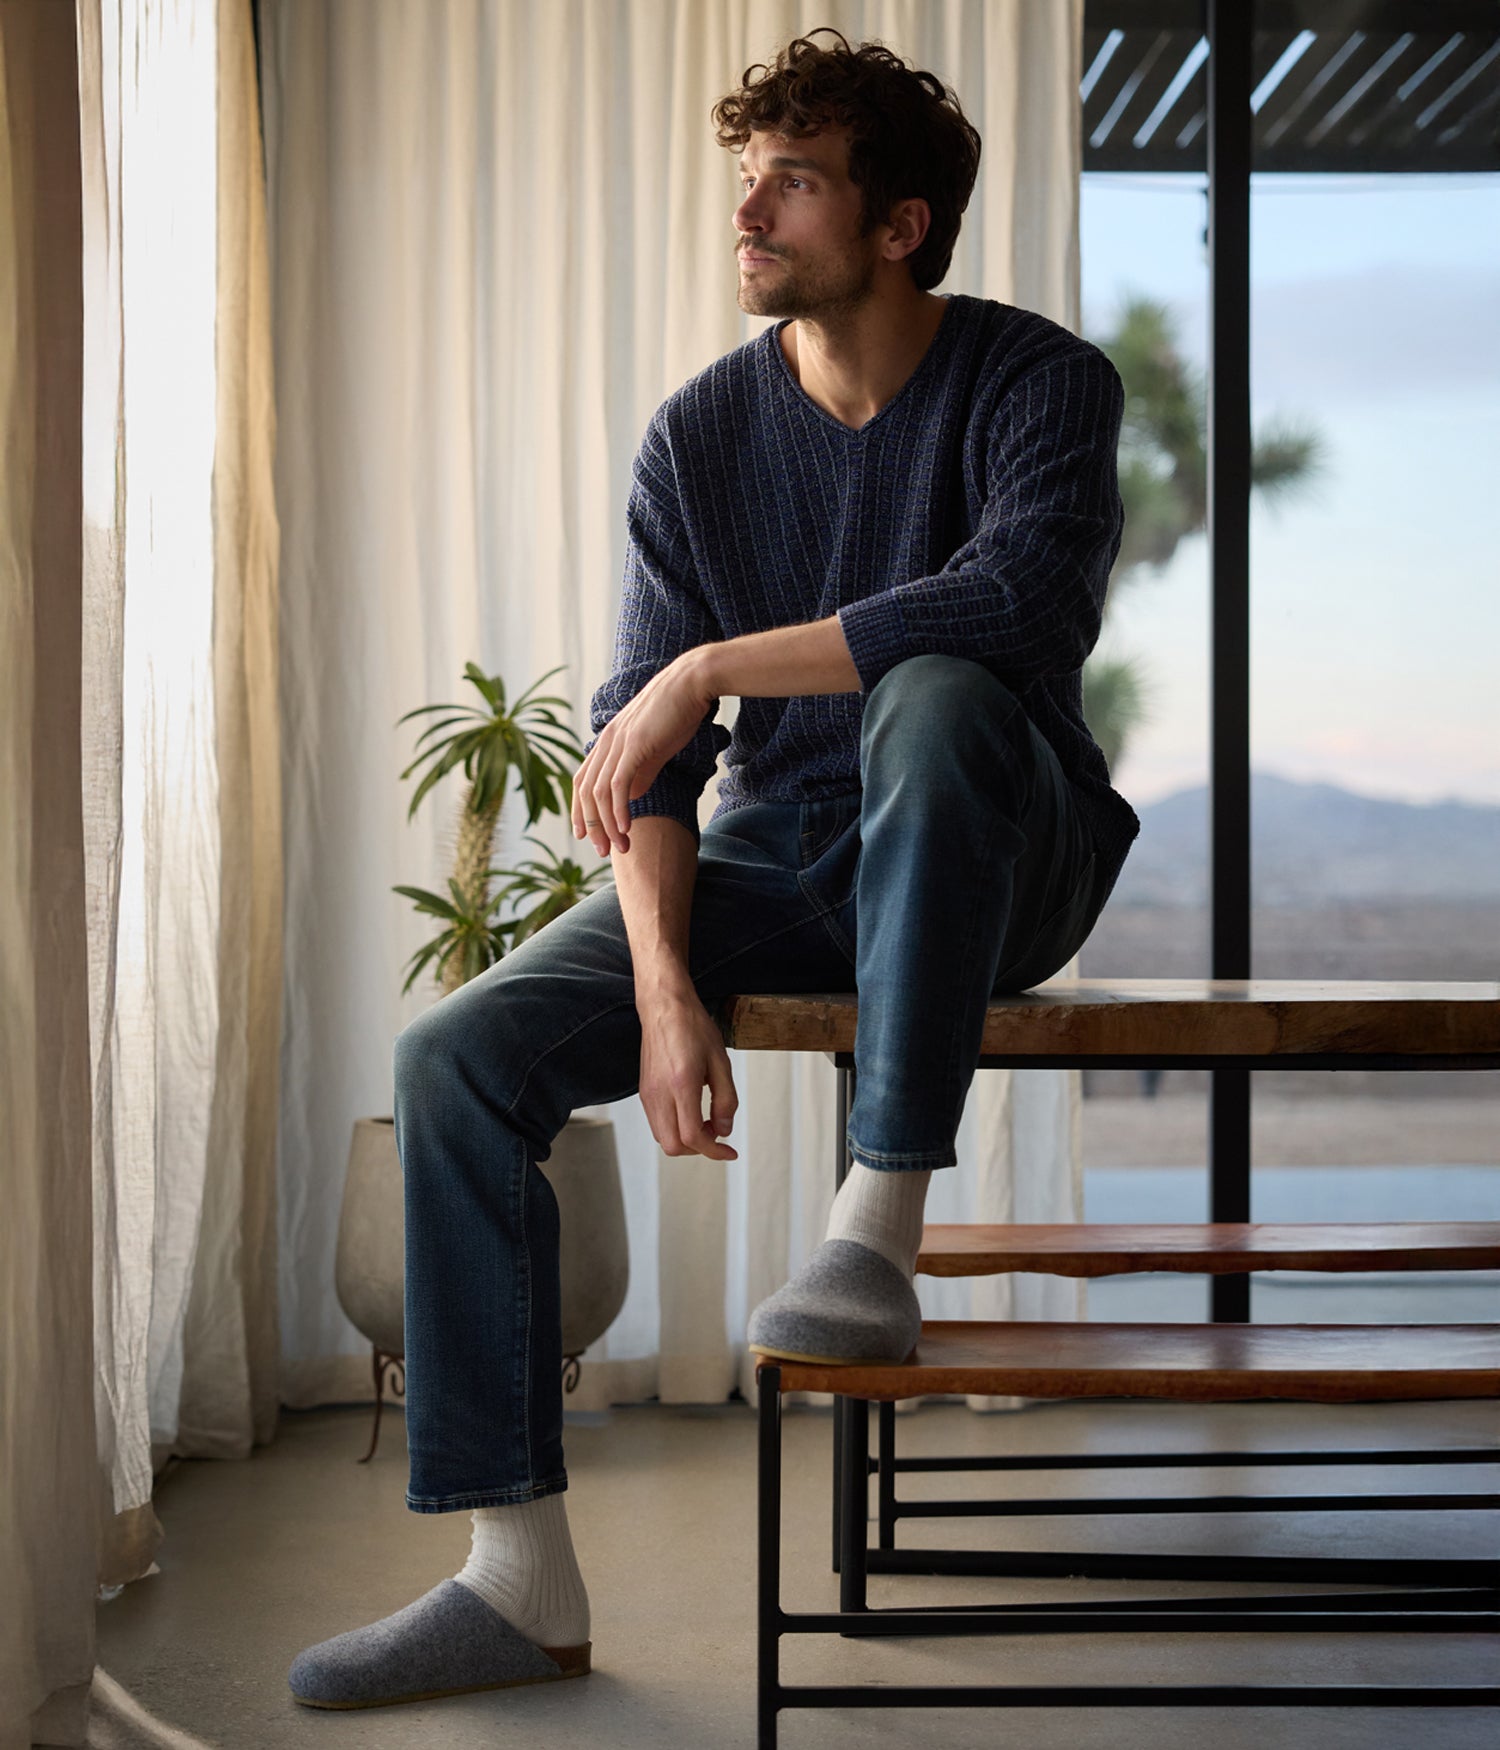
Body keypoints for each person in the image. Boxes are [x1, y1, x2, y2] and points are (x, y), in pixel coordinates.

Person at [288, 25, 1138, 1713]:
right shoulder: (697, 439)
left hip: (995, 838)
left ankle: (873, 1237)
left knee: (944, 688)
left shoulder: (1041, 383)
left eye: (795, 180)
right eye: (745, 175)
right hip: (775, 852)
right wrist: (668, 990)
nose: (749, 209)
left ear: (897, 225)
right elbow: (654, 760)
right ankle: (513, 1578)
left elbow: (1010, 611)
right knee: (453, 1059)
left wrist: (708, 665)